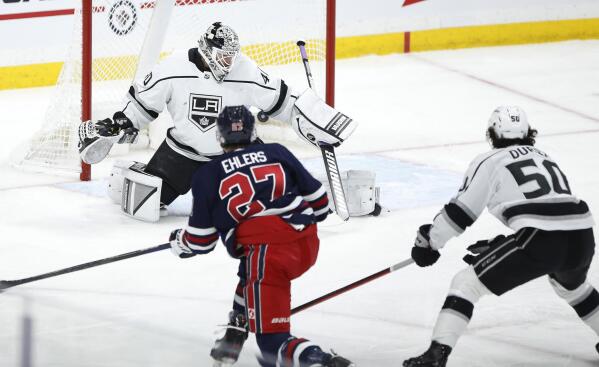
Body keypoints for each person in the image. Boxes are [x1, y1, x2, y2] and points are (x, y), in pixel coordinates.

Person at [77, 21, 361, 222]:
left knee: (278, 198)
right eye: (223, 56)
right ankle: (124, 177)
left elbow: (282, 101)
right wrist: (120, 124)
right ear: (206, 50)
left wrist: (313, 121)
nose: (228, 62)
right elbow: (142, 104)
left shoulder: (245, 70)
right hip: (182, 154)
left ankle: (337, 192)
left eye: (231, 56)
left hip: (236, 154)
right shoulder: (172, 69)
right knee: (144, 203)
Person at [403, 106, 597, 367]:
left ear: (492, 132)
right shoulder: (545, 156)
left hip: (541, 238)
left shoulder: (491, 160)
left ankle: (436, 356)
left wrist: (430, 241)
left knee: (465, 283)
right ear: (528, 132)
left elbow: (460, 213)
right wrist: (508, 244)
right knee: (573, 288)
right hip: (582, 235)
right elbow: (552, 207)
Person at [168, 105, 355, 367]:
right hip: (307, 242)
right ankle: (235, 335)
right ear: (253, 131)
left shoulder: (207, 174)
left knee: (272, 344)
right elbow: (322, 205)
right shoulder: (276, 151)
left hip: (270, 256)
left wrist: (180, 242)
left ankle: (320, 361)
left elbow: (201, 242)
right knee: (249, 270)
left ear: (219, 137)